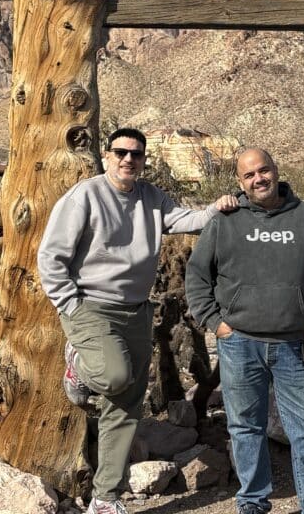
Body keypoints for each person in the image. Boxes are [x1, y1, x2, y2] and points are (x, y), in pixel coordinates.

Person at [38, 127, 238, 514]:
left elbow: (181, 219)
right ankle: (79, 366)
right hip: (91, 307)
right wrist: (70, 305)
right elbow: (51, 257)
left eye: (136, 154)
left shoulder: (150, 197)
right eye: (121, 152)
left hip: (136, 310)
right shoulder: (86, 196)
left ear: (144, 160)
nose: (128, 159)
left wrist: (215, 209)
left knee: (125, 406)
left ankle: (105, 498)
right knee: (112, 375)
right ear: (107, 155)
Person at [185, 148, 304, 514]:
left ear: (276, 170)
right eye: (249, 175)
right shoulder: (226, 221)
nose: (259, 179)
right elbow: (197, 275)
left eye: (264, 170)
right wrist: (216, 323)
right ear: (240, 182)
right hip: (240, 343)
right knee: (244, 428)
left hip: (296, 345)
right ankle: (252, 502)